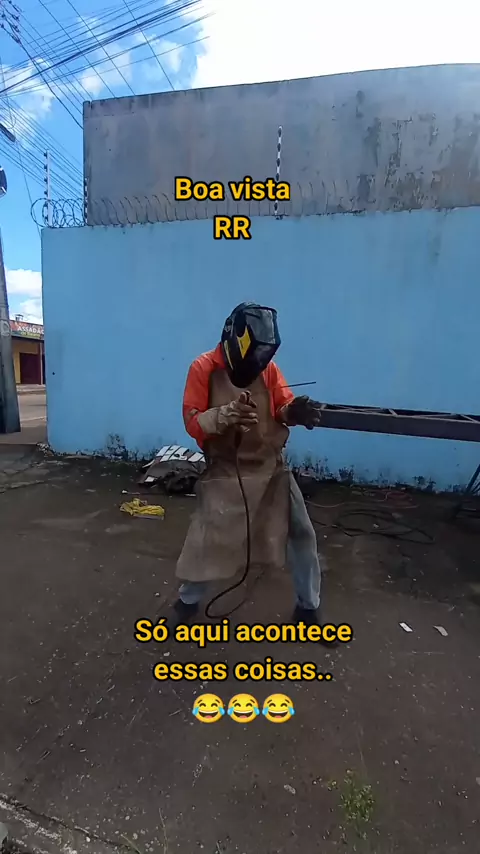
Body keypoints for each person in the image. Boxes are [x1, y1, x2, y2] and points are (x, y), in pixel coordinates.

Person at [173, 302, 323, 625]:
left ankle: (308, 606)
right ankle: (187, 602)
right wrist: (225, 415)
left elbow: (281, 407)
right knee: (210, 536)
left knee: (301, 532)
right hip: (227, 471)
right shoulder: (203, 368)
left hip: (271, 469)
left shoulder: (267, 369)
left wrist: (294, 411)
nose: (257, 365)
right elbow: (193, 422)